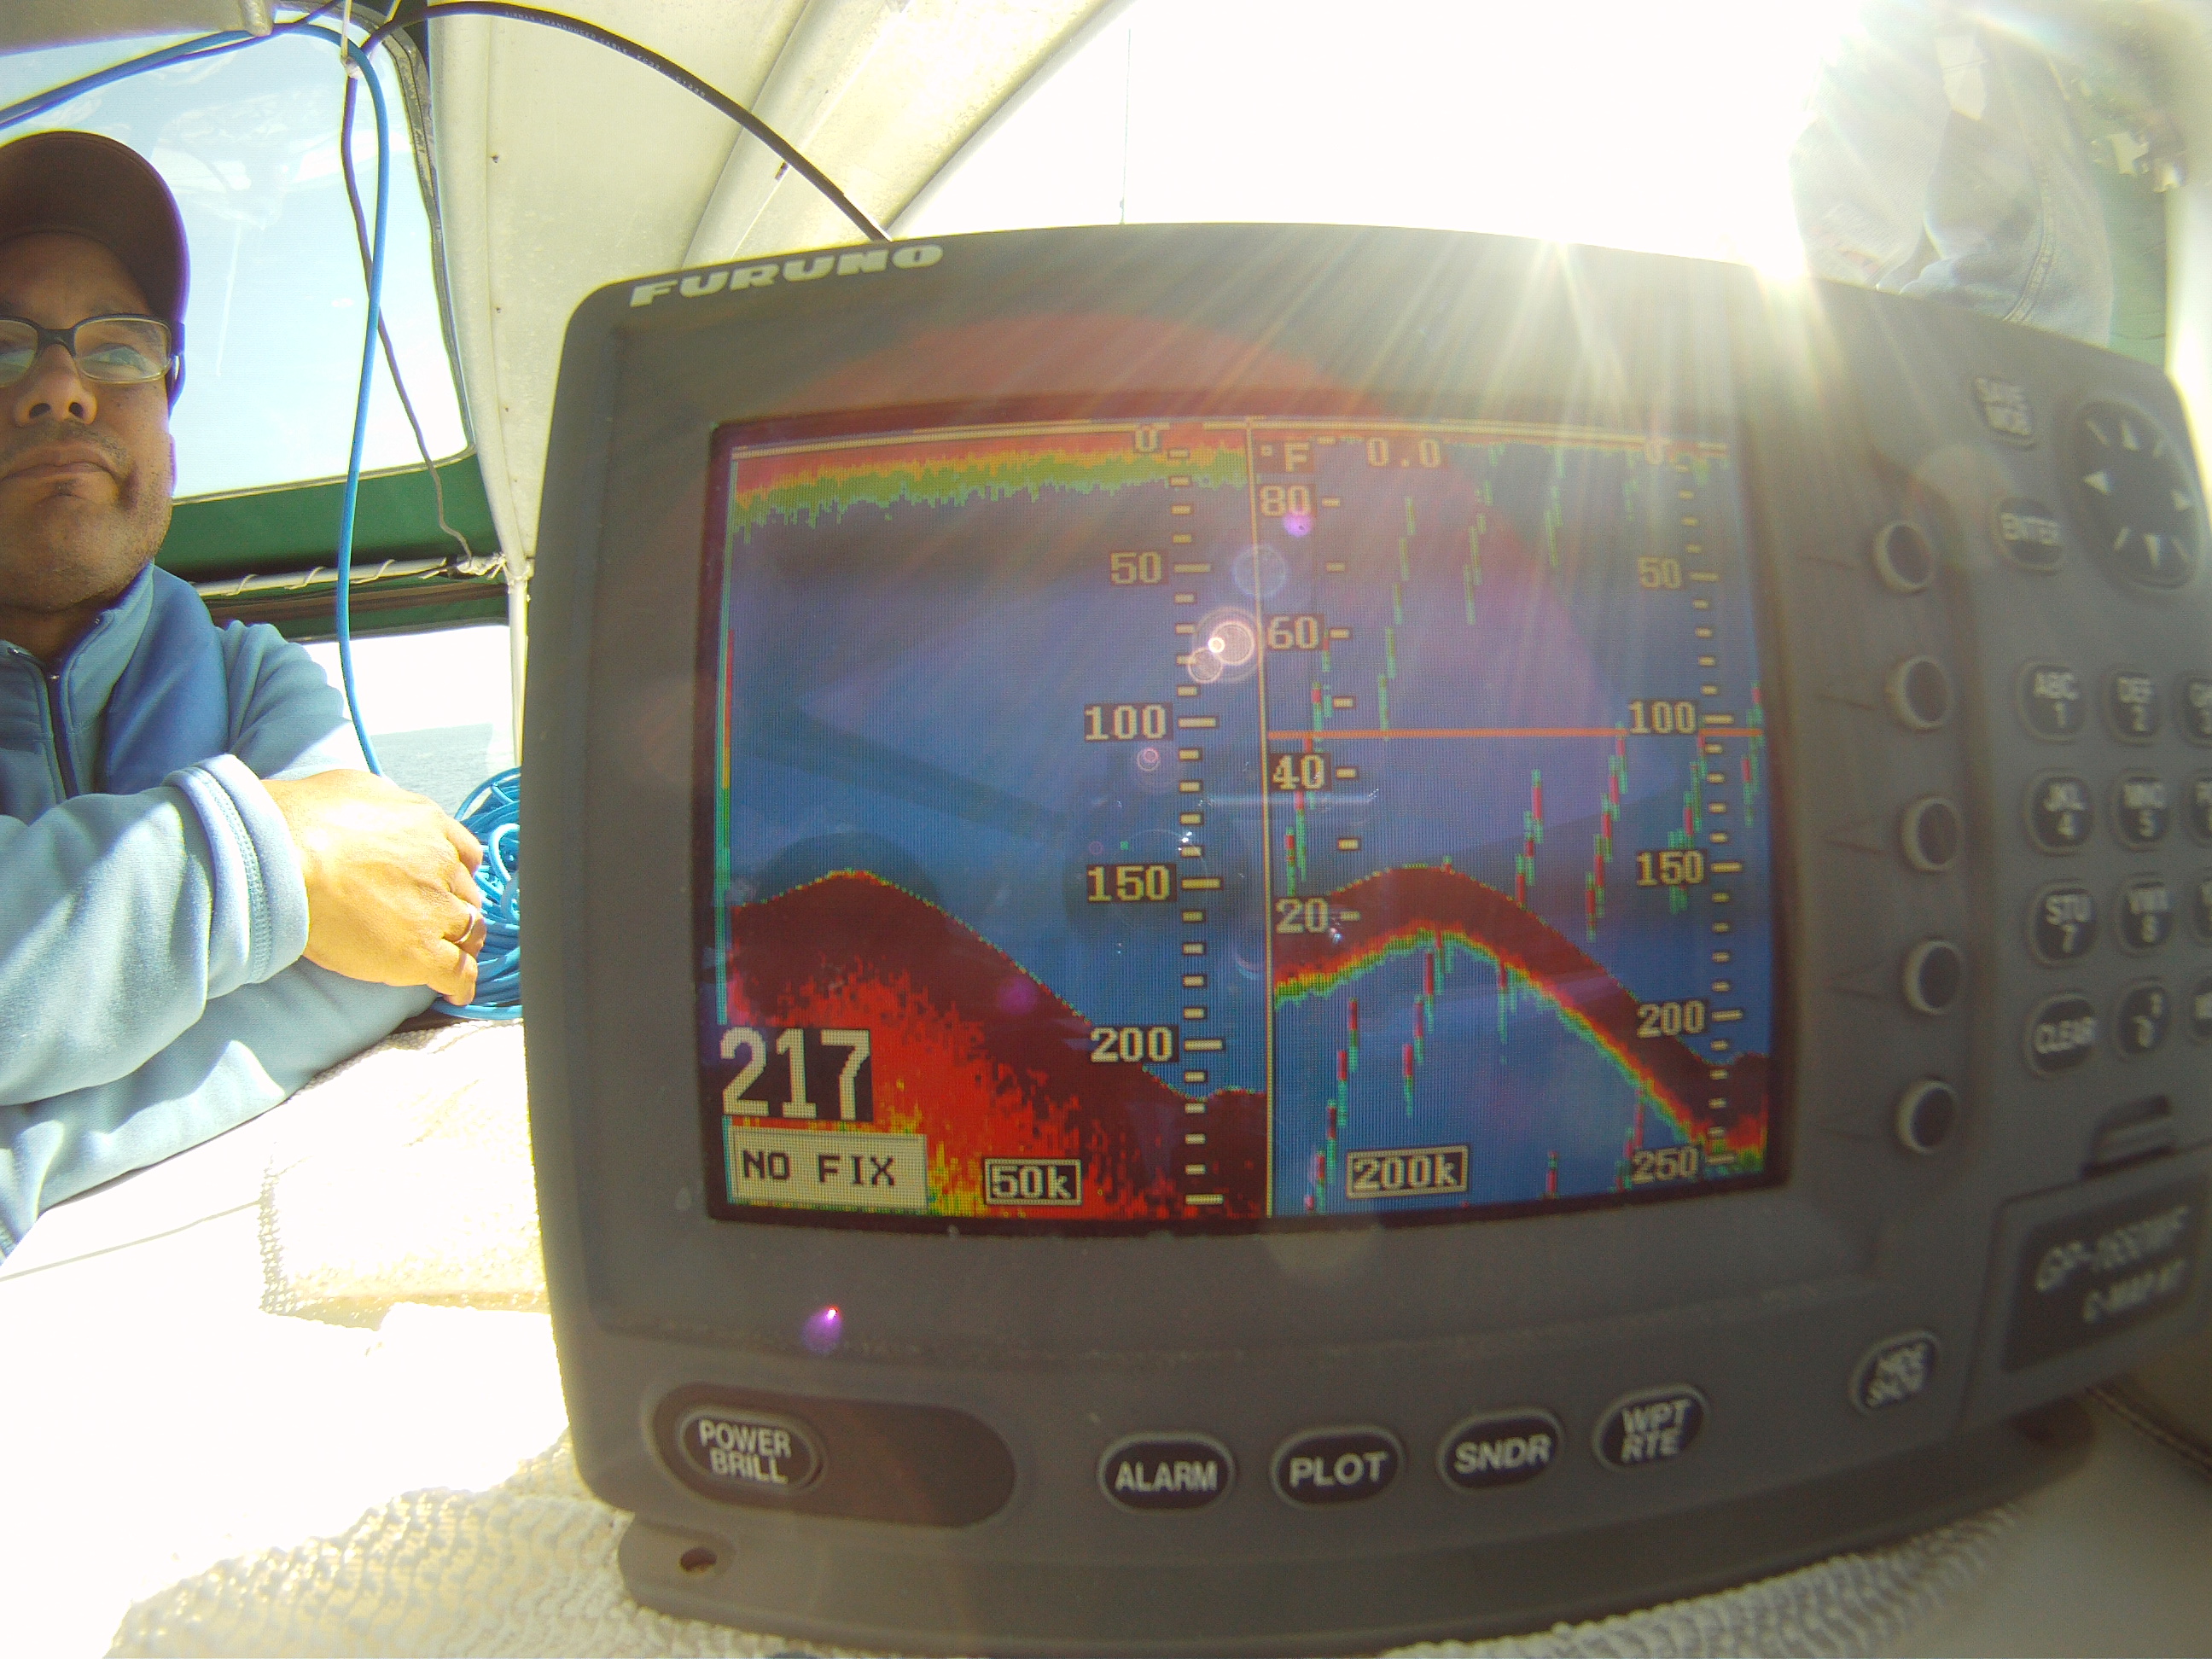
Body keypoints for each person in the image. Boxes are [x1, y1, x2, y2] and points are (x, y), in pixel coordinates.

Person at [0, 130, 487, 1259]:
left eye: (116, 347)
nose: (61, 387)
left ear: (168, 410)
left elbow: (393, 945)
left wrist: (24, 1150)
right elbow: (330, 911)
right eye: (2, 346)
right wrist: (272, 865)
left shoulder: (255, 673)